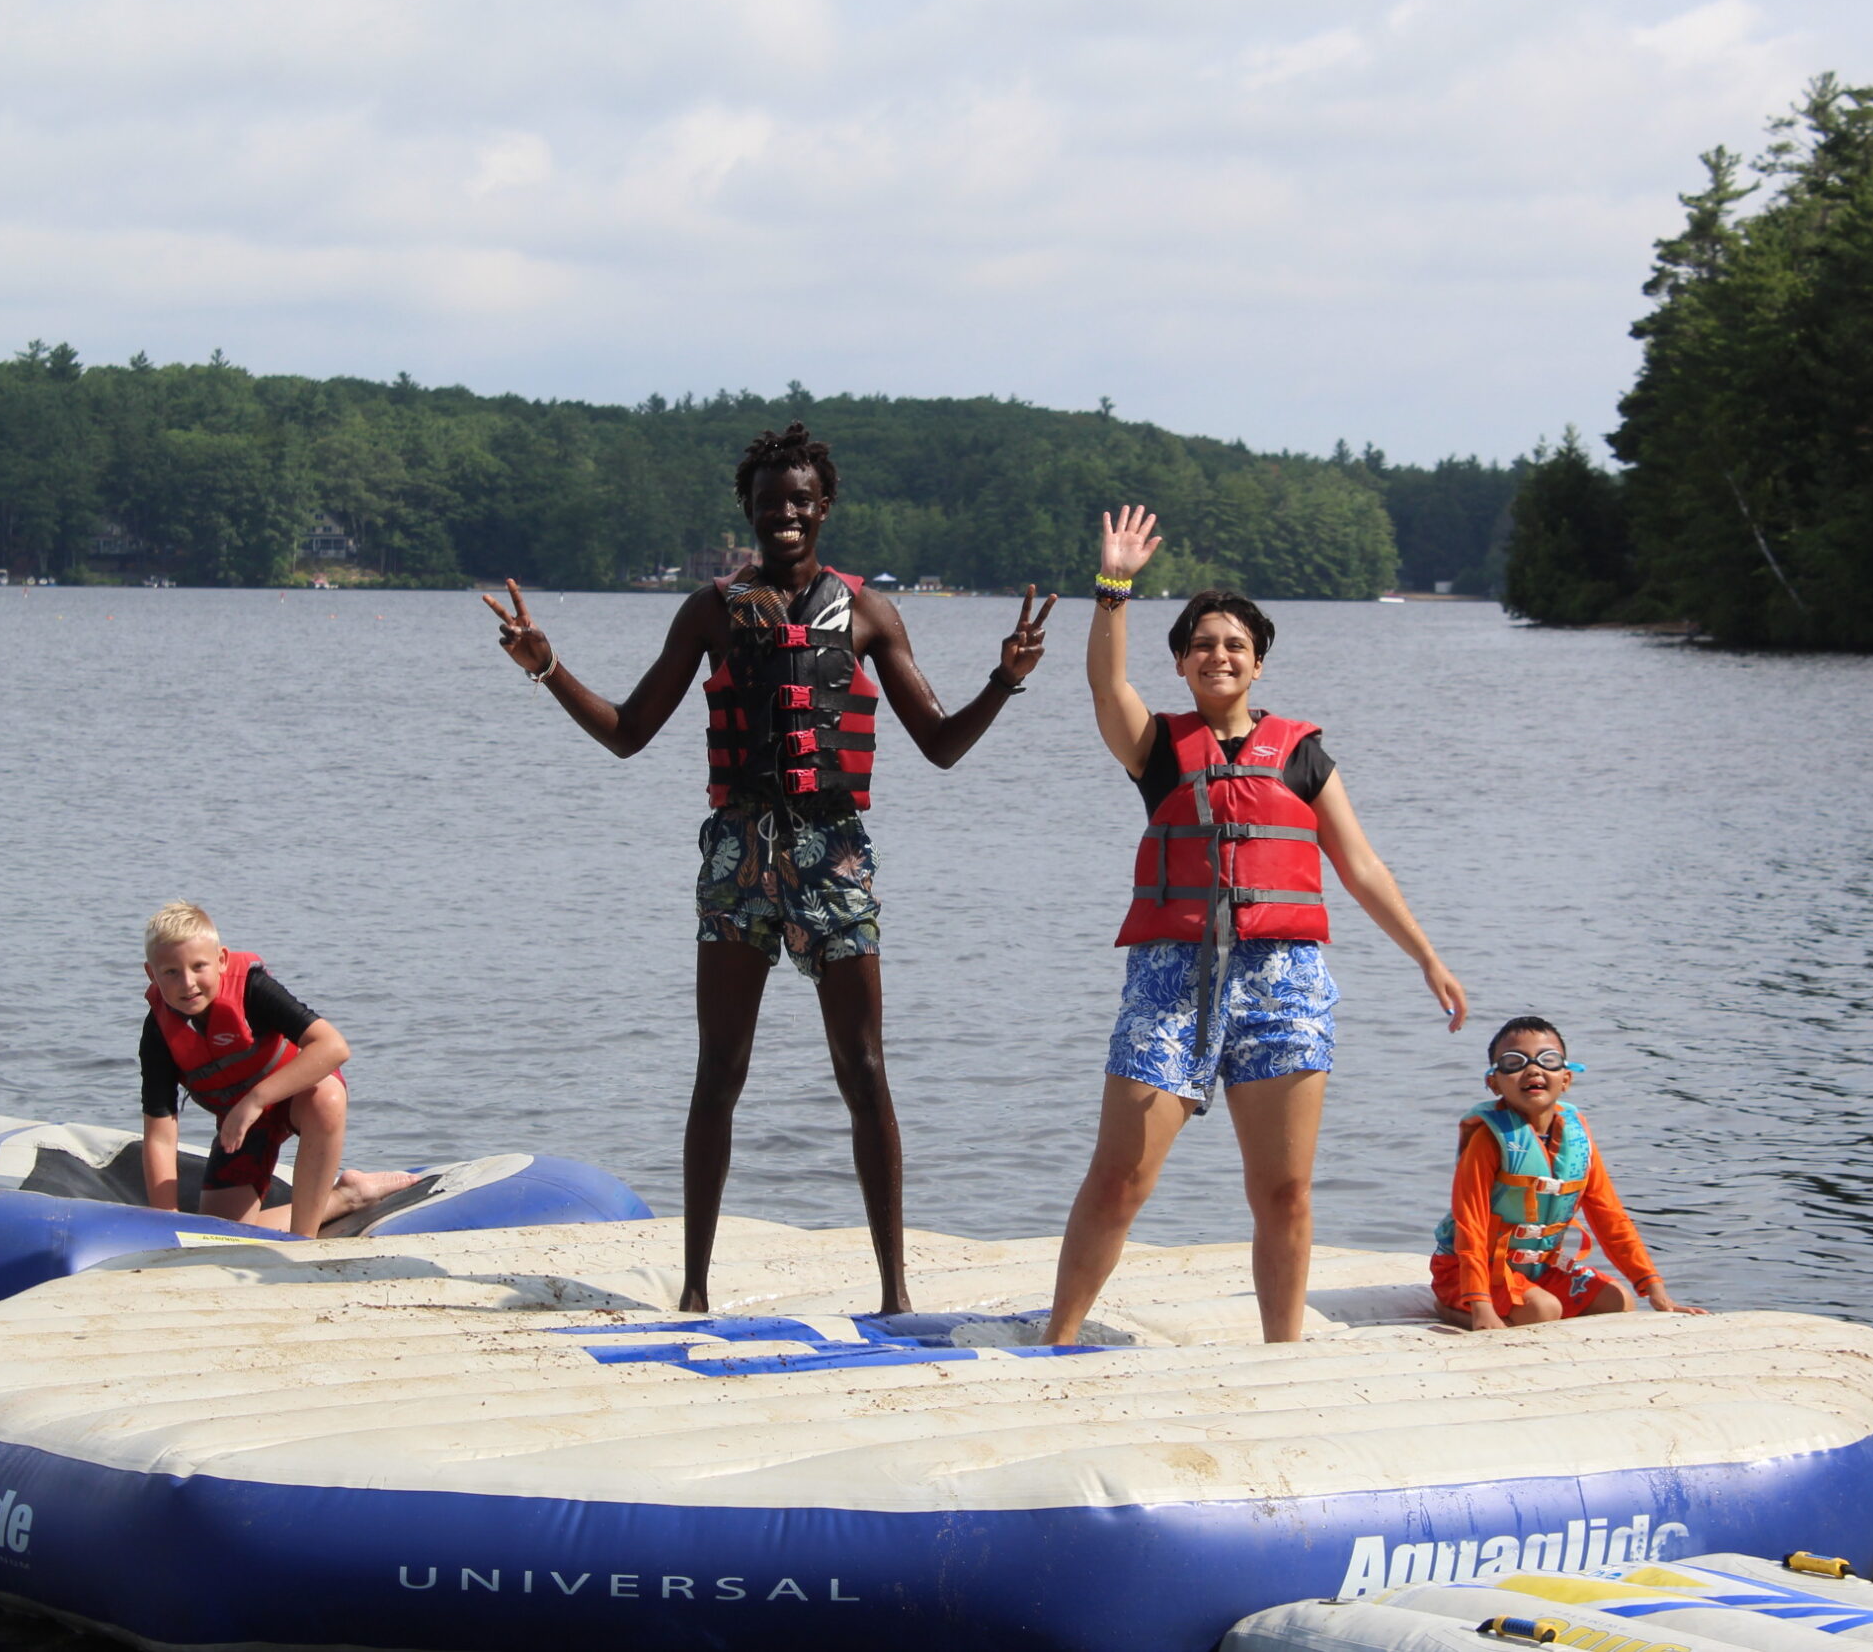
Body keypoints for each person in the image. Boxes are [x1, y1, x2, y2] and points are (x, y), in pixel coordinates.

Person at [482, 422, 1055, 1316]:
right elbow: (630, 732)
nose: (784, 514)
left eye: (800, 500)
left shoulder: (867, 613)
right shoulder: (712, 609)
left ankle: (896, 1293)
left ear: (824, 507)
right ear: (747, 511)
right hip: (740, 852)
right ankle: (697, 1288)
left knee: (863, 1068)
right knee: (721, 1068)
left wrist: (1004, 678)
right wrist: (546, 666)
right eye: (768, 502)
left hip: (833, 855)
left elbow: (940, 745)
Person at [1043, 504, 1469, 1346]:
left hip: (1285, 981)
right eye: (1203, 644)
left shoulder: (1304, 755)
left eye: (1235, 644)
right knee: (1121, 1175)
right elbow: (1104, 683)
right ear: (1181, 662)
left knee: (1285, 1191)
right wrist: (1112, 586)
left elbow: (1361, 865)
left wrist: (1427, 956)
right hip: (1173, 977)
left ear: (1258, 664)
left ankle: (1282, 1356)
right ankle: (1056, 1338)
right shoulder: (1156, 746)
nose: (1219, 655)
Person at [138, 900, 417, 1238]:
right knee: (222, 1234)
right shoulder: (158, 1031)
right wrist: (165, 1223)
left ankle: (304, 1241)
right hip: (245, 1125)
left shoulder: (253, 989)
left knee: (327, 1097)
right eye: (171, 972)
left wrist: (253, 1101)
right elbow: (161, 1134)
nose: (188, 983)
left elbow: (333, 1047)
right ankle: (347, 1195)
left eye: (199, 966)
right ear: (152, 974)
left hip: (294, 1099)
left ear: (222, 960)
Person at [1430, 1015, 1708, 1329]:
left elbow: (1608, 1214)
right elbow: (1472, 1224)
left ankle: (1521, 1300)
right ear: (1494, 1082)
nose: (1533, 1069)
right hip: (1463, 1271)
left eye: (1547, 1060)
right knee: (1542, 1311)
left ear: (1566, 1078)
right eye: (1514, 1062)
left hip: (1538, 1267)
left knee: (1619, 1301)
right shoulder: (1488, 1140)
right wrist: (1480, 1305)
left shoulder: (1577, 1135)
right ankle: (1450, 1309)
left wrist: (1654, 1290)